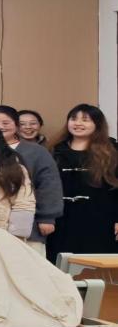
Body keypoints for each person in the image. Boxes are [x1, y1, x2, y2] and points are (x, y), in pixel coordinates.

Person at [0, 105, 64, 256]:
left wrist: (47, 217)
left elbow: (49, 185)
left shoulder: (36, 151)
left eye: (6, 123)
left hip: (28, 224)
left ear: (16, 125)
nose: (0, 127)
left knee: (26, 264)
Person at [48, 104, 118, 256]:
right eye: (73, 119)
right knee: (60, 259)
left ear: (97, 124)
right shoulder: (54, 149)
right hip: (61, 218)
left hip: (101, 217)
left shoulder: (112, 150)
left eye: (85, 120)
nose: (78, 123)